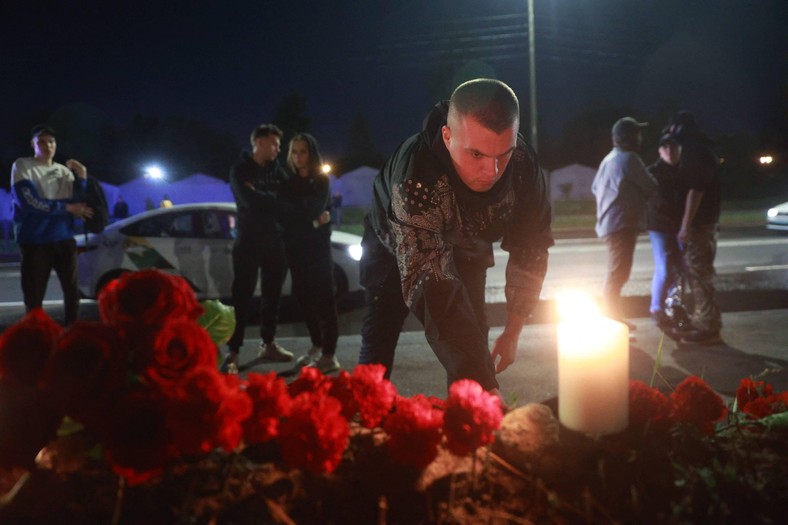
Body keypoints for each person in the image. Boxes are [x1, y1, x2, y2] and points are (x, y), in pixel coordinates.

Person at [359, 78, 553, 394]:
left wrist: (514, 329)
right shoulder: (417, 177)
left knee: (474, 331)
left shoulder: (521, 164)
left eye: (502, 154)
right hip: (393, 246)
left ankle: (467, 423)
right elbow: (432, 285)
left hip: (466, 243)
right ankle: (364, 418)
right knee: (380, 337)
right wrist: (484, 385)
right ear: (447, 137)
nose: (492, 172)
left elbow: (531, 243)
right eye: (476, 155)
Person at [223, 124, 293, 371]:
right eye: (274, 144)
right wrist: (275, 200)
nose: (278, 150)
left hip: (276, 242)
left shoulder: (278, 171)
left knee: (272, 297)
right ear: (259, 142)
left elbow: (290, 201)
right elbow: (248, 202)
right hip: (249, 241)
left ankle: (268, 344)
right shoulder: (240, 169)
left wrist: (265, 197)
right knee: (241, 297)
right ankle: (233, 351)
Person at [10, 125, 94, 325]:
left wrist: (82, 176)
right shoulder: (23, 166)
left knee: (72, 293)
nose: (47, 145)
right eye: (41, 141)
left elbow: (78, 203)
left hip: (64, 237)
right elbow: (30, 203)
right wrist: (66, 209)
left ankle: (72, 335)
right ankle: (34, 337)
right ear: (33, 145)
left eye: (51, 141)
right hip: (35, 239)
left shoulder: (64, 171)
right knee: (34, 295)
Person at [280, 133, 340, 373]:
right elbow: (287, 216)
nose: (298, 157)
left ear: (311, 153)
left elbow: (314, 208)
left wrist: (303, 217)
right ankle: (317, 344)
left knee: (325, 299)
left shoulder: (321, 180)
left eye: (302, 151)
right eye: (294, 152)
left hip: (318, 250)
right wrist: (313, 223)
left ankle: (329, 354)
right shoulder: (288, 183)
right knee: (303, 298)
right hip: (297, 249)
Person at [591, 117, 658, 325]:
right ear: (627, 137)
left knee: (617, 272)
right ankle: (611, 317)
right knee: (618, 273)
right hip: (621, 224)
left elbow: (594, 188)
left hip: (610, 222)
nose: (640, 137)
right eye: (636, 133)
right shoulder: (630, 159)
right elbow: (651, 186)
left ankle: (613, 315)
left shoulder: (609, 158)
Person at [666, 111, 723, 345]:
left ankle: (707, 328)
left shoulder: (695, 151)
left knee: (700, 275)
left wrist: (685, 225)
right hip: (705, 222)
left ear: (679, 129)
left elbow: (696, 190)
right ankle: (707, 322)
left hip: (699, 224)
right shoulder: (703, 148)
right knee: (701, 274)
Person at [646, 134, 686, 330]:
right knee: (664, 267)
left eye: (673, 147)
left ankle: (675, 305)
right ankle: (656, 308)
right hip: (660, 227)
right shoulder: (652, 173)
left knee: (681, 268)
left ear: (680, 149)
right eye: (665, 148)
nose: (669, 151)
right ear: (660, 151)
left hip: (681, 227)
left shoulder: (686, 172)